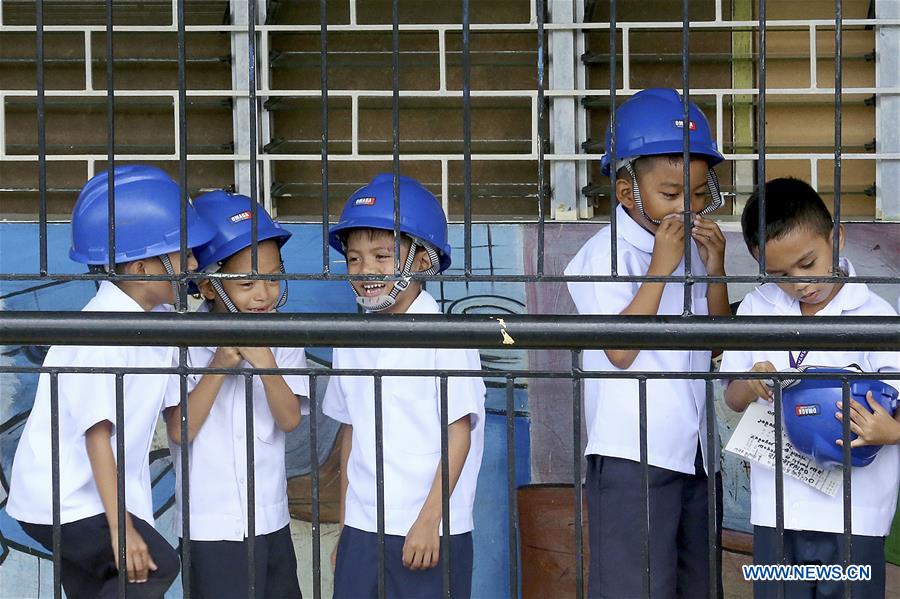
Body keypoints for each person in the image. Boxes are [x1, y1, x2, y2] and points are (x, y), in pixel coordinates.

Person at [7, 164, 215, 598]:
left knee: (100, 585)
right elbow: (97, 435)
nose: (195, 264)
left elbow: (177, 417)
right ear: (142, 268)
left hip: (81, 496)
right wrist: (122, 529)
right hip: (63, 499)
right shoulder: (100, 333)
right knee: (155, 565)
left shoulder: (159, 323)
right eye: (183, 255)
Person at [564, 88, 730, 597]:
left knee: (695, 586)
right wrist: (660, 268)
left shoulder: (696, 249)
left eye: (700, 193)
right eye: (673, 194)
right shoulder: (601, 256)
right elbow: (619, 349)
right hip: (632, 456)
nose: (689, 207)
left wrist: (717, 271)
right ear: (627, 192)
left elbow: (720, 345)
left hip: (697, 452)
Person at [721, 176, 900, 598]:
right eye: (780, 274)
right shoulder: (756, 307)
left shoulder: (874, 311)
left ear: (835, 238)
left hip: (855, 513)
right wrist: (750, 384)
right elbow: (731, 396)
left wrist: (891, 430)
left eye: (808, 263)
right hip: (778, 509)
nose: (800, 283)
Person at [323, 173, 485, 598]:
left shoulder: (446, 337)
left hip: (428, 529)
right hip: (362, 528)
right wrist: (345, 529)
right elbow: (351, 433)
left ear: (422, 260)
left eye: (382, 255)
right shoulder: (350, 338)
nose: (366, 270)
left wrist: (430, 522)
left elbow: (460, 434)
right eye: (354, 258)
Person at [165, 190, 307, 598]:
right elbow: (179, 429)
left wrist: (266, 364)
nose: (263, 294)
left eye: (273, 278)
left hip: (270, 517)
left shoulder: (283, 333)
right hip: (210, 526)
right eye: (246, 283)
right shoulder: (182, 340)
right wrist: (219, 366)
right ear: (208, 287)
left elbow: (290, 419)